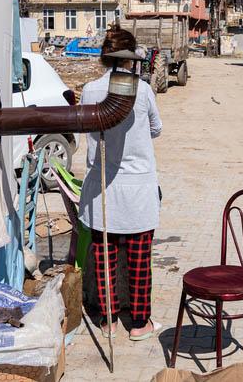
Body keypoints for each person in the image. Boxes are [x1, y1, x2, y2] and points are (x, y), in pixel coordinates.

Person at [79, 26, 163, 341]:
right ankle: (140, 324)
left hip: (103, 188)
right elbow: (157, 128)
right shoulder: (142, 90)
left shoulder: (89, 90)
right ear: (129, 58)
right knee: (139, 261)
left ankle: (109, 320)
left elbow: (88, 140)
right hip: (138, 189)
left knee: (104, 257)